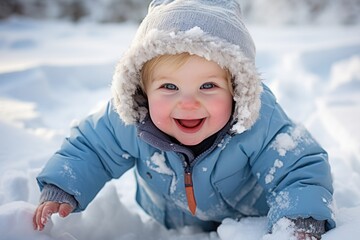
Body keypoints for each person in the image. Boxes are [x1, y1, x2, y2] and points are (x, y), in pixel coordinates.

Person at [33, 0, 335, 239]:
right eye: (169, 87)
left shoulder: (260, 122)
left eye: (208, 86)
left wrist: (299, 218)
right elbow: (92, 149)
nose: (188, 103)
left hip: (248, 218)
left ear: (236, 90)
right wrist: (64, 188)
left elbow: (298, 166)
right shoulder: (129, 119)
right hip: (168, 218)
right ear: (142, 90)